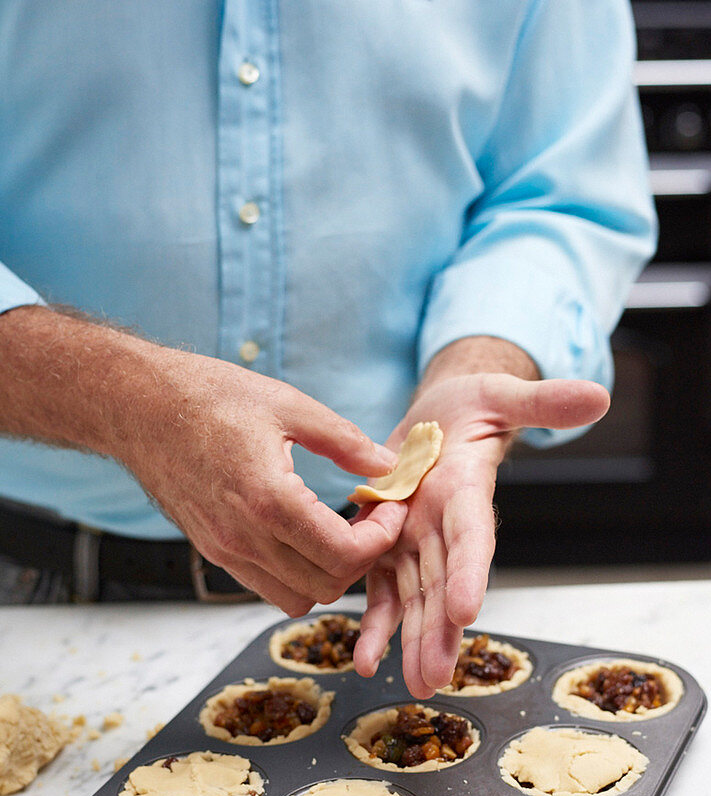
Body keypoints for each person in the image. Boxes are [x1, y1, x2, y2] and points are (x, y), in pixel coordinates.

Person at [0, 2, 655, 697]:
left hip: (400, 567)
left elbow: (555, 196)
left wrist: (478, 363)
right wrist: (126, 404)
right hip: (35, 582)